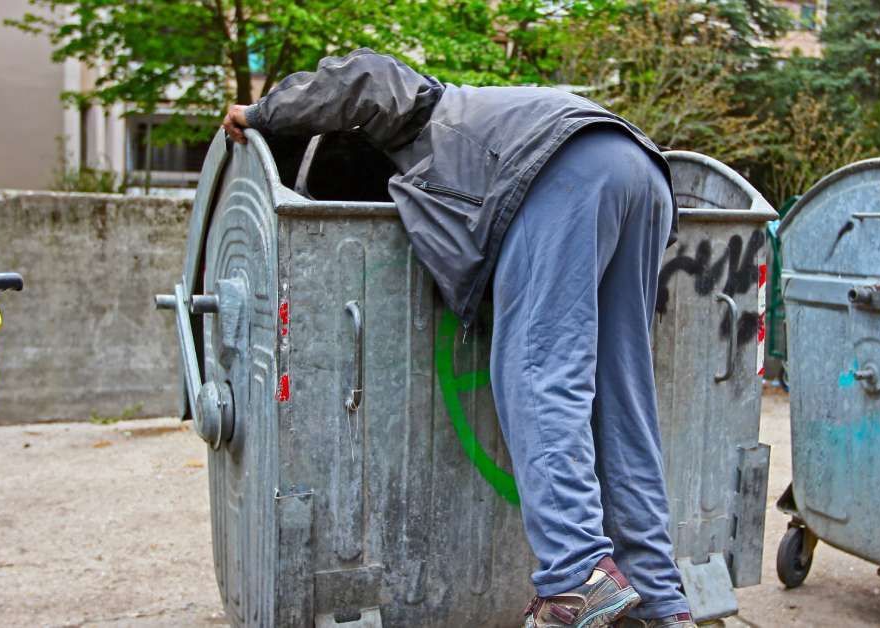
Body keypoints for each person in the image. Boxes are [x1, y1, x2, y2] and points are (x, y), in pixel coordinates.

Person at [222, 49, 693, 628]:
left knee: (539, 374)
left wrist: (260, 112)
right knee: (624, 398)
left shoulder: (427, 107)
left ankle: (575, 577)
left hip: (563, 173)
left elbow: (363, 76)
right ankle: (661, 599)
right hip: (640, 172)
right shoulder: (490, 115)